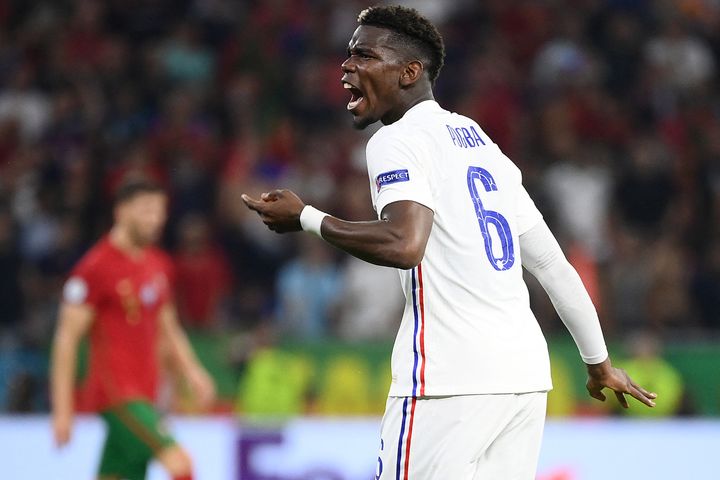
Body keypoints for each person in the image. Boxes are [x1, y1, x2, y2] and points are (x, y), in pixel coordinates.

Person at [241, 5, 657, 479]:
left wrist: (307, 218)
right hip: (522, 382)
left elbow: (403, 243)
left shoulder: (396, 140)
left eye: (364, 55)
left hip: (447, 381)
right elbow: (553, 266)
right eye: (347, 55)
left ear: (409, 72)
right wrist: (598, 362)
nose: (347, 66)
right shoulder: (480, 141)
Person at [51, 179, 215, 480]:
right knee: (181, 465)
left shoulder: (159, 265)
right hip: (116, 394)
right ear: (121, 212)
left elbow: (168, 328)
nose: (155, 219)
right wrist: (63, 410)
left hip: (147, 392)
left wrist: (192, 372)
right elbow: (67, 339)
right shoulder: (95, 268)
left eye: (159, 212)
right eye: (146, 211)